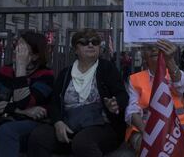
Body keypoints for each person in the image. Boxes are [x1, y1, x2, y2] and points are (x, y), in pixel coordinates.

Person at [28, 28, 128, 157]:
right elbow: (54, 103)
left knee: (82, 142)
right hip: (69, 124)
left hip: (102, 126)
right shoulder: (65, 73)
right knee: (39, 136)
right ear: (75, 49)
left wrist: (115, 103)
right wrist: (58, 122)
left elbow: (122, 95)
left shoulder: (107, 68)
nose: (91, 44)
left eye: (95, 42)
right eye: (84, 42)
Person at [0, 31, 54, 157]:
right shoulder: (6, 70)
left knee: (7, 131)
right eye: (17, 45)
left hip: (29, 129)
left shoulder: (46, 75)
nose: (16, 50)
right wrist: (22, 111)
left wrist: (21, 67)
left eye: (22, 48)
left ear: (35, 55)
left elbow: (23, 102)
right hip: (2, 120)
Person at [125, 39, 184, 153]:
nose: (154, 49)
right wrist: (148, 134)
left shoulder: (175, 74)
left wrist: (169, 59)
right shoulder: (135, 79)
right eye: (149, 47)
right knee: (150, 148)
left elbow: (181, 85)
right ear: (143, 55)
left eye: (158, 46)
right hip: (144, 129)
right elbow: (132, 111)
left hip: (177, 129)